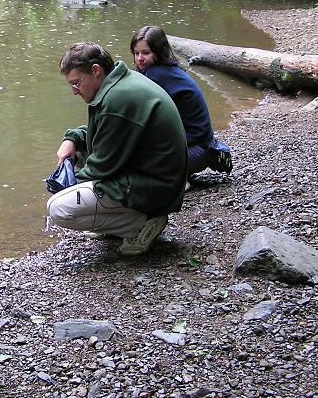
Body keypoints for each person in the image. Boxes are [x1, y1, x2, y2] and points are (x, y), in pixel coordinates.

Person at [47, 42, 188, 255]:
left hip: (157, 189)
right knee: (75, 155)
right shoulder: (120, 83)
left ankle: (139, 224)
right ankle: (117, 220)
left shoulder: (117, 101)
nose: (74, 92)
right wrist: (72, 139)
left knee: (58, 209)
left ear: (96, 71)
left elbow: (100, 168)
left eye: (76, 84)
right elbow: (102, 133)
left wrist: (68, 186)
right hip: (151, 175)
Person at [130, 25, 233, 177]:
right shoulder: (169, 69)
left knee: (131, 162)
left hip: (194, 153)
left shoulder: (156, 75)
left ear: (159, 52)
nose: (139, 58)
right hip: (204, 147)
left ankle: (174, 184)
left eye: (146, 53)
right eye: (136, 53)